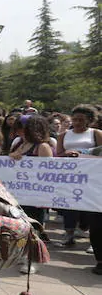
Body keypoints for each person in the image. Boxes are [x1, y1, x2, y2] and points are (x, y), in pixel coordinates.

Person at [9, 115, 54, 274]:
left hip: (36, 197)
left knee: (34, 229)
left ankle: (32, 260)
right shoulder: (20, 144)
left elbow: (49, 173)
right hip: (19, 195)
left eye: (21, 127)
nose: (18, 130)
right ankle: (22, 255)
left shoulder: (42, 147)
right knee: (21, 227)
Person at [56, 105, 102, 247]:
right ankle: (69, 235)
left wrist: (84, 153)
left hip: (91, 176)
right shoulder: (64, 135)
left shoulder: (96, 133)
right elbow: (58, 154)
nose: (77, 123)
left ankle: (90, 238)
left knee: (90, 205)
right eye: (74, 119)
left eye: (81, 120)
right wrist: (67, 154)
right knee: (69, 204)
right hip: (70, 175)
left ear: (89, 120)